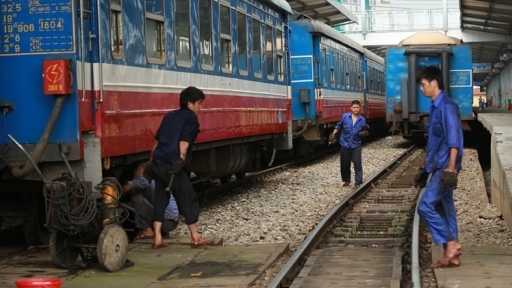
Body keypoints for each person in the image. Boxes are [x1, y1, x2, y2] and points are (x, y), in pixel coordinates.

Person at [148, 86, 212, 249]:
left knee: (160, 199)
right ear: (190, 103)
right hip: (172, 164)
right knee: (187, 197)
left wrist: (151, 160)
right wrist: (181, 160)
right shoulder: (191, 118)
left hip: (158, 162)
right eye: (199, 103)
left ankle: (157, 239)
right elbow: (184, 141)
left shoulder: (170, 115)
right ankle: (195, 236)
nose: (200, 107)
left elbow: (157, 139)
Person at [414, 65, 463, 269]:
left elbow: (454, 139)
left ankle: (451, 244)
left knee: (425, 206)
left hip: (445, 167)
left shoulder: (447, 107)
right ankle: (452, 255)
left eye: (423, 85)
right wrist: (425, 165)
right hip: (437, 165)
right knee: (446, 208)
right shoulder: (434, 107)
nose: (421, 89)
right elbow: (434, 140)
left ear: (434, 83)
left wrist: (451, 168)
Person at [122, 162, 179, 241]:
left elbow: (126, 188)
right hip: (172, 221)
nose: (134, 176)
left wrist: (121, 190)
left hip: (166, 221)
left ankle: (147, 231)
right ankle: (163, 232)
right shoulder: (156, 179)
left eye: (134, 173)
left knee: (136, 199)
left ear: (140, 170)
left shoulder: (145, 178)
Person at [329, 100, 369, 189]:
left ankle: (358, 182)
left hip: (356, 145)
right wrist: (333, 134)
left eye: (357, 107)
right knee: (345, 163)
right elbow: (339, 126)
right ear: (351, 108)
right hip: (345, 144)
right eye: (354, 107)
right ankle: (347, 179)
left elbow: (366, 130)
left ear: (360, 108)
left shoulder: (362, 120)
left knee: (357, 163)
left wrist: (364, 133)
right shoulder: (345, 117)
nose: (356, 109)